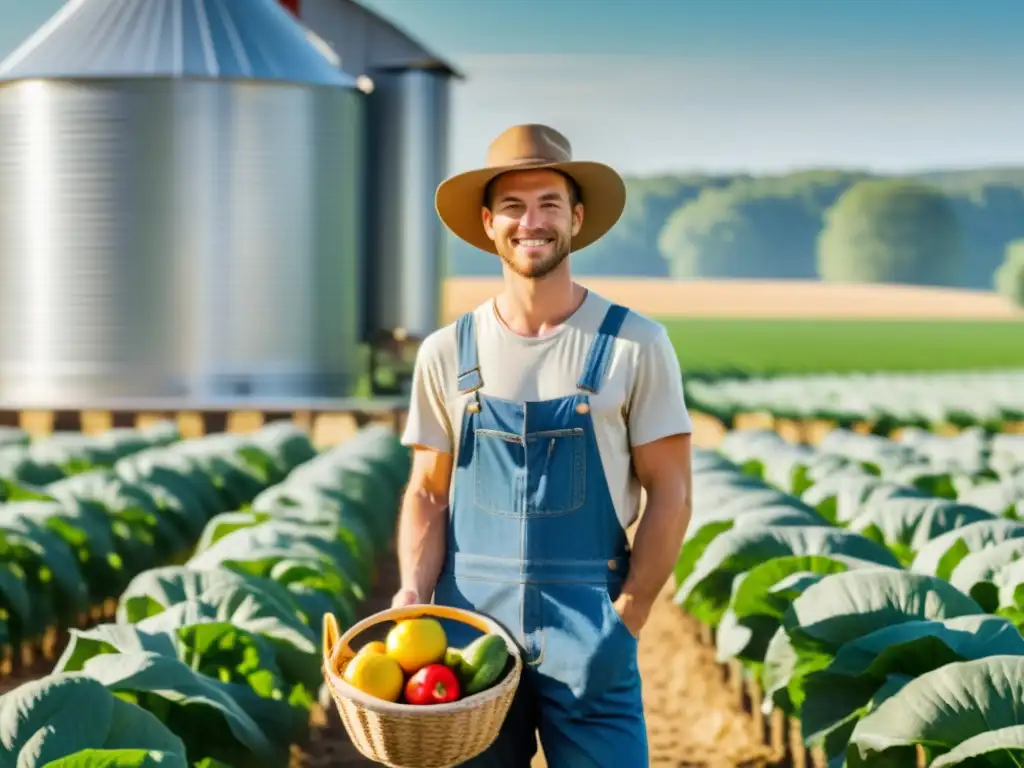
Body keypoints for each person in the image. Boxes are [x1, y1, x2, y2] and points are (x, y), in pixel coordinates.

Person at [392, 123, 693, 767]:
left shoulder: (635, 345)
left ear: (577, 219)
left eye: (550, 204)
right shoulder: (447, 352)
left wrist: (629, 618)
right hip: (466, 635)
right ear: (488, 222)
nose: (533, 221)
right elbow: (426, 489)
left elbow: (672, 490)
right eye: (513, 206)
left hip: (591, 631)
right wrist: (414, 594)